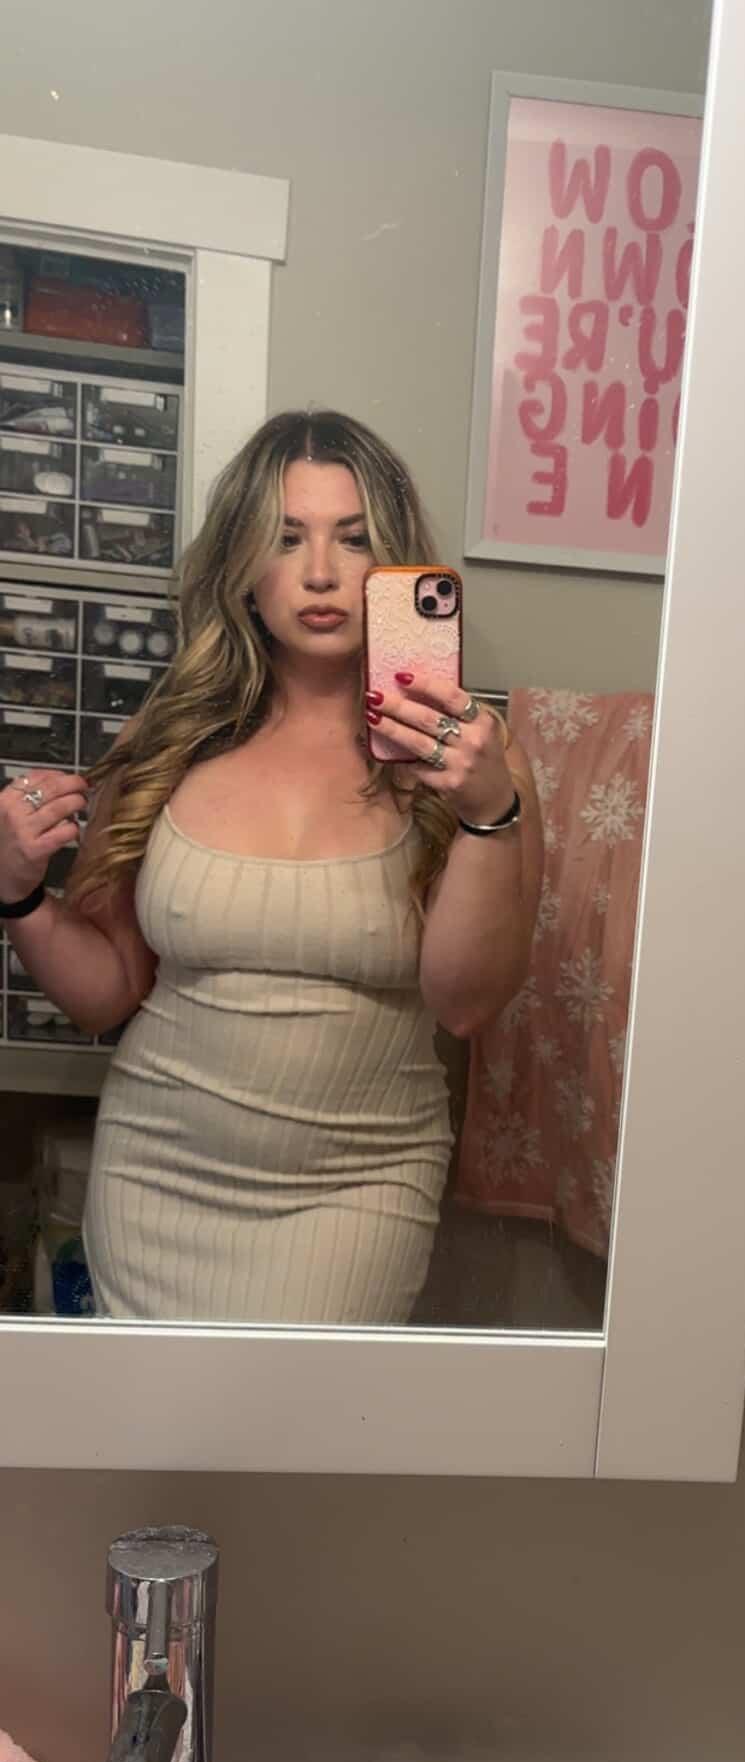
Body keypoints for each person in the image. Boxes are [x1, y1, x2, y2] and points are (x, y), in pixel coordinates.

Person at [0, 410, 542, 1324]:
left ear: (397, 564)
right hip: (152, 1174)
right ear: (244, 568)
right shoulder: (169, 739)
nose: (321, 572)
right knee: (148, 1415)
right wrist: (15, 894)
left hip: (359, 1191)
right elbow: (105, 994)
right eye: (286, 539)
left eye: (354, 538)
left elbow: (466, 1005)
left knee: (298, 1412)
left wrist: (489, 815)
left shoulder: (477, 762)